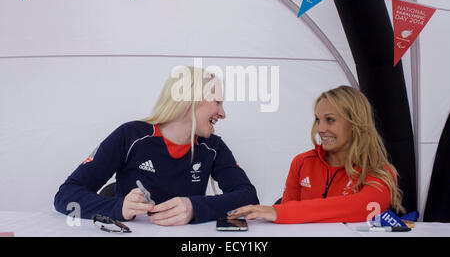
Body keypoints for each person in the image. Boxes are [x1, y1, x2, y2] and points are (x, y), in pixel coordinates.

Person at [54, 66, 259, 225]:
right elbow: (66, 195)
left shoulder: (213, 147)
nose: (223, 113)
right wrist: (119, 207)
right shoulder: (130, 135)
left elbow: (249, 197)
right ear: (191, 101)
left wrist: (194, 208)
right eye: (217, 102)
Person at [228, 85, 405, 223]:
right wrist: (280, 212)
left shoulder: (379, 170)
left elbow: (365, 207)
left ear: (355, 123)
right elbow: (287, 218)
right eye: (318, 119)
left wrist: (277, 211)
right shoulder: (302, 162)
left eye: (330, 120)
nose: (320, 129)